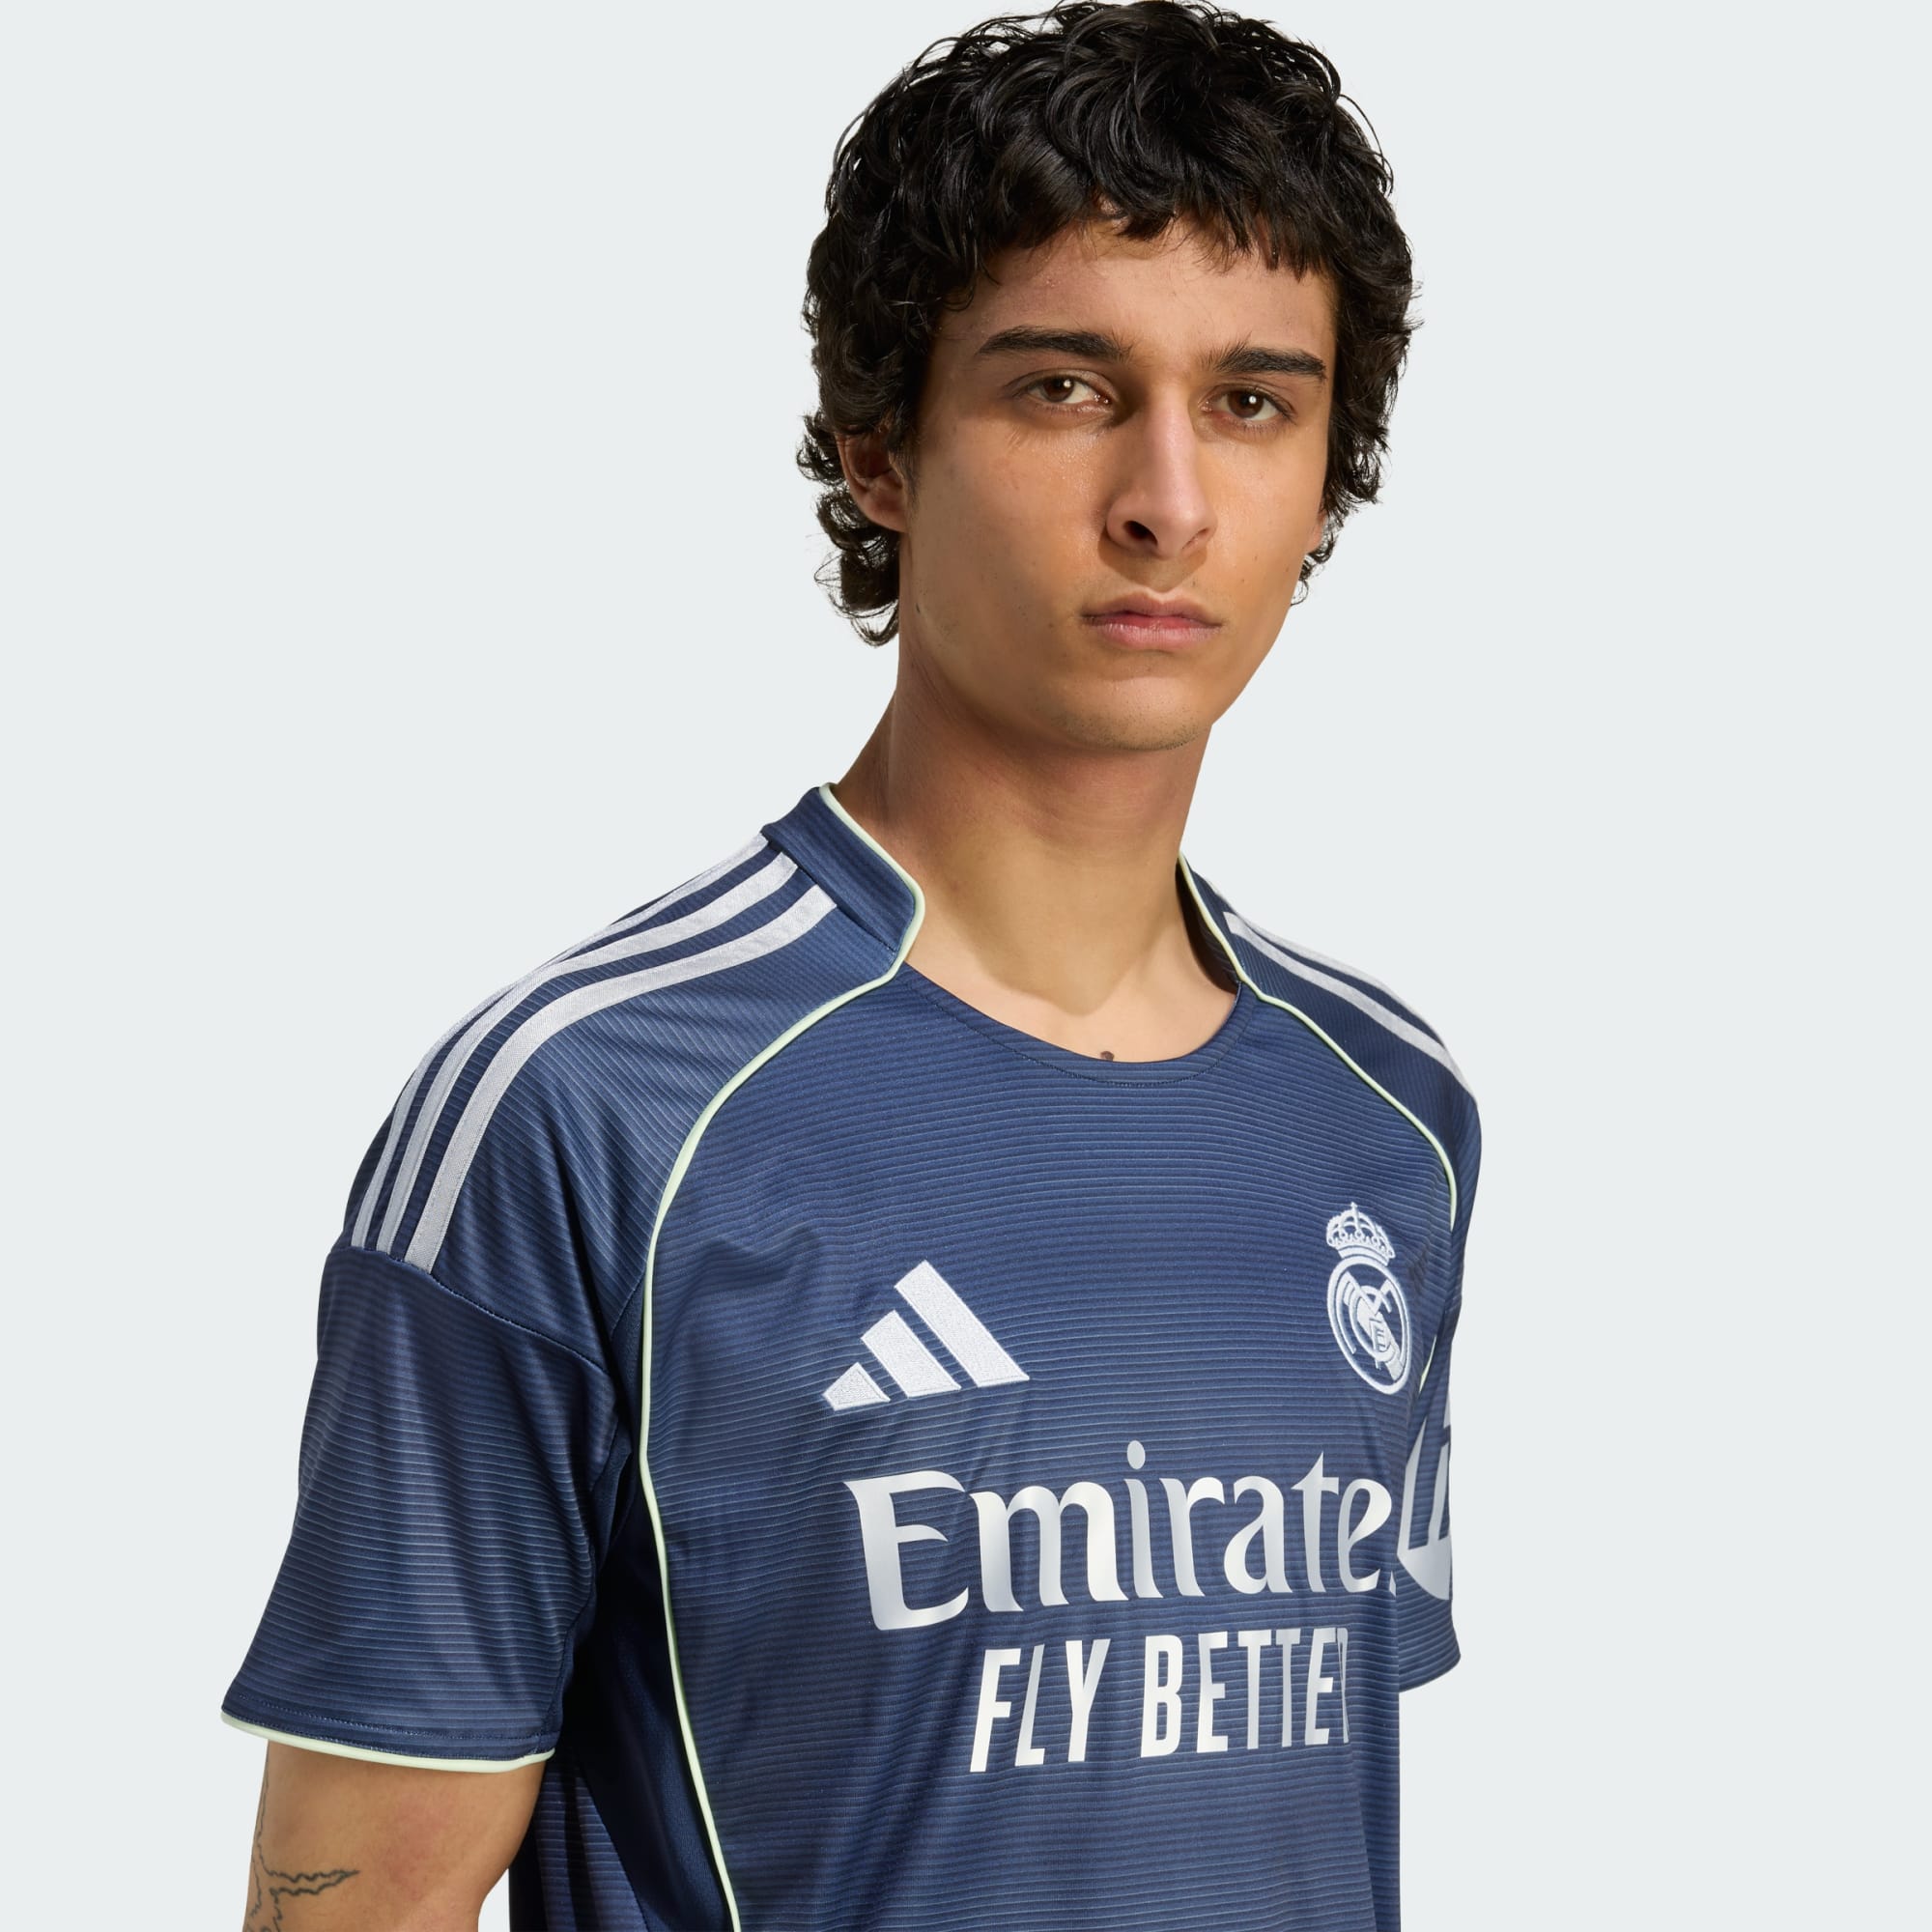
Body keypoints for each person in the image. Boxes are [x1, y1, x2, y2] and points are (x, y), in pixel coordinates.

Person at [222, 4, 1481, 1926]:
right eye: (1064, 388)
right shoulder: (592, 1114)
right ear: (880, 449)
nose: (1168, 499)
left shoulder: (1388, 1117)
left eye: (1251, 402)